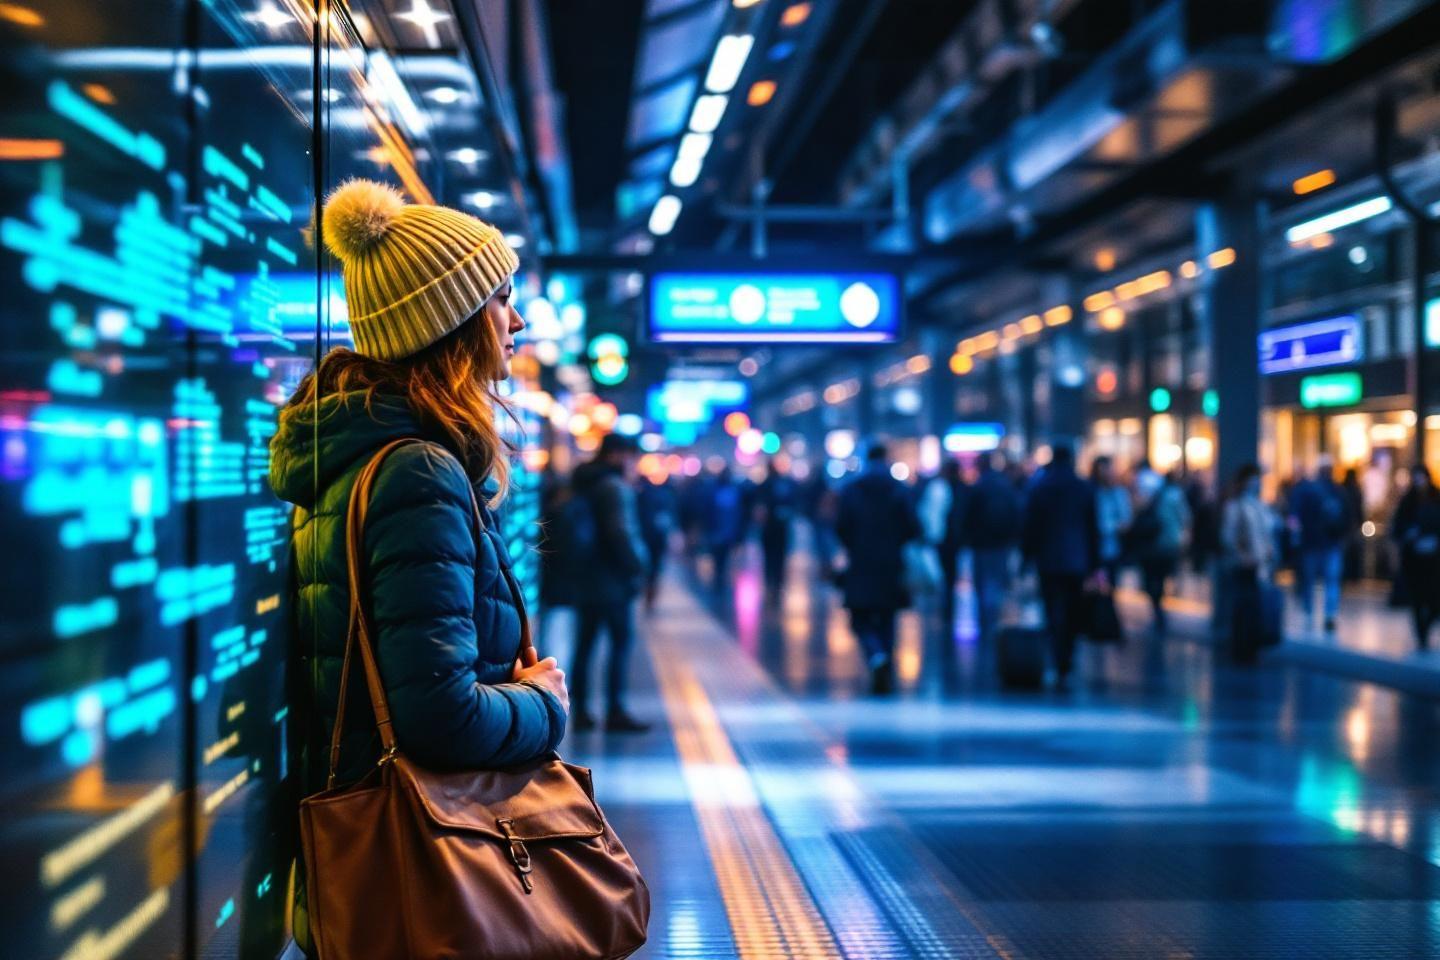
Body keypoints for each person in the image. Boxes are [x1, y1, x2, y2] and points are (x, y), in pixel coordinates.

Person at [270, 180, 567, 954]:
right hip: (423, 865)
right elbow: (439, 718)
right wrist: (545, 704)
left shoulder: (364, 458)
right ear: (453, 323)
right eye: (503, 298)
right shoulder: (418, 473)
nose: (519, 319)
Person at [569, 434, 651, 732]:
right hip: (613, 580)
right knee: (620, 643)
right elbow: (622, 532)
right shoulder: (614, 488)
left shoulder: (580, 482)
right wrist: (641, 567)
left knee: (585, 645)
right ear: (618, 455)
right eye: (632, 456)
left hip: (584, 576)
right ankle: (615, 709)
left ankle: (579, 710)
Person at [836, 443, 923, 694]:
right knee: (887, 615)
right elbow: (913, 527)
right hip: (891, 562)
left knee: (859, 616)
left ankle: (875, 654)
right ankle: (884, 656)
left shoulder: (852, 490)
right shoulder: (899, 490)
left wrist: (854, 545)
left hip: (861, 561)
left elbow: (842, 526)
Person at [1021, 443, 1101, 687]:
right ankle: (1066, 657)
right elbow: (1092, 528)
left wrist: (1027, 557)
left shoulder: (1040, 487)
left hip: (1048, 559)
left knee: (1052, 607)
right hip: (1077, 559)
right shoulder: (1083, 487)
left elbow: (1030, 526)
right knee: (1073, 609)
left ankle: (1057, 655)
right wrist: (1095, 563)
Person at [963, 453, 1024, 643]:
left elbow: (967, 515)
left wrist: (968, 537)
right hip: (1001, 543)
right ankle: (994, 618)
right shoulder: (1004, 485)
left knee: (983, 583)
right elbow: (1016, 511)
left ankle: (986, 621)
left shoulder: (978, 486)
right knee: (996, 580)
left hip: (982, 543)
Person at [1220, 463, 1278, 663]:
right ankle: (1242, 648)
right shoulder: (1237, 506)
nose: (1258, 484)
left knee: (1253, 608)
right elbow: (1228, 536)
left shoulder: (1259, 505)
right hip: (1244, 567)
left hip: (1259, 565)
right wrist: (1242, 556)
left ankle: (1252, 646)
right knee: (1243, 608)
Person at [1288, 456, 1353, 633]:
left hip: (1322, 543)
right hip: (1320, 543)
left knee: (1320, 579)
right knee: (1321, 579)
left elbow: (1347, 517)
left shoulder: (1329, 491)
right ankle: (1322, 614)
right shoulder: (1331, 491)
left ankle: (1322, 613)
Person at [1128, 469, 1191, 636]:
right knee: (1160, 577)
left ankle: (1157, 606)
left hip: (1153, 544)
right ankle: (1158, 606)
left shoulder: (1152, 495)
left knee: (1153, 577)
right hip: (1168, 543)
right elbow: (1185, 518)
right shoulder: (1175, 495)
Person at [1391, 465, 1440, 649]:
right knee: (1418, 599)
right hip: (1414, 559)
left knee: (1434, 599)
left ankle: (1425, 628)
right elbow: (1398, 527)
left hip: (1434, 559)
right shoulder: (1408, 501)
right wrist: (1409, 534)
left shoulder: (1436, 497)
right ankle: (1422, 635)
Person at [920, 459, 969, 633]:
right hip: (955, 540)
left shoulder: (938, 488)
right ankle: (948, 607)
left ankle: (946, 608)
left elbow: (930, 514)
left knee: (944, 574)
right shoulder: (963, 489)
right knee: (951, 574)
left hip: (942, 539)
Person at [755, 458, 801, 595]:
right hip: (778, 527)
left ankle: (772, 582)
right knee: (777, 556)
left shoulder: (766, 485)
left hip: (772, 527)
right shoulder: (781, 484)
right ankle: (775, 582)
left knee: (771, 556)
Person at [636, 472, 677, 611]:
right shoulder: (663, 496)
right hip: (657, 538)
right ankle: (651, 593)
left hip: (645, 537)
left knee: (648, 567)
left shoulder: (639, 496)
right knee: (654, 568)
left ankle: (648, 591)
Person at [703, 465, 746, 590]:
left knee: (724, 556)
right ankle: (718, 577)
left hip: (728, 530)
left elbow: (739, 513)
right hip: (719, 530)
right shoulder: (717, 492)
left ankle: (720, 577)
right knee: (718, 556)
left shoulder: (733, 492)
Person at [1091, 455, 1131, 586]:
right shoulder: (1091, 492)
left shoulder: (1119, 493)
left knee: (1110, 585)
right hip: (1093, 549)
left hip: (1112, 549)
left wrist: (1107, 527)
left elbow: (1126, 520)